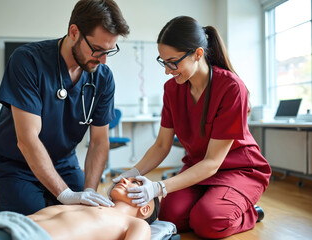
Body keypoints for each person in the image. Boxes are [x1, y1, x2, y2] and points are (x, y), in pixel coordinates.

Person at [112, 16, 272, 239]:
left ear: (197, 54)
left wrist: (159, 187)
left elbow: (213, 162)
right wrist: (133, 172)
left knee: (208, 221)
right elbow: (161, 145)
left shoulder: (231, 87)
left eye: (173, 62)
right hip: (199, 169)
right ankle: (215, 203)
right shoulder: (172, 90)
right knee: (169, 216)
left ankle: (249, 212)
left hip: (238, 169)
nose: (167, 71)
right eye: (163, 61)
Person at [0, 0, 130, 215]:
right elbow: (27, 139)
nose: (104, 61)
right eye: (97, 50)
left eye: (110, 50)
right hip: (15, 163)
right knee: (31, 220)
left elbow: (99, 141)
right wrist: (65, 194)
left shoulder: (103, 77)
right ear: (74, 32)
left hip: (62, 162)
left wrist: (88, 191)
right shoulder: (28, 60)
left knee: (84, 215)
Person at [0, 177, 160, 240]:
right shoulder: (94, 205)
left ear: (145, 209)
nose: (124, 179)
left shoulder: (136, 224)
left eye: (136, 183)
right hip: (6, 221)